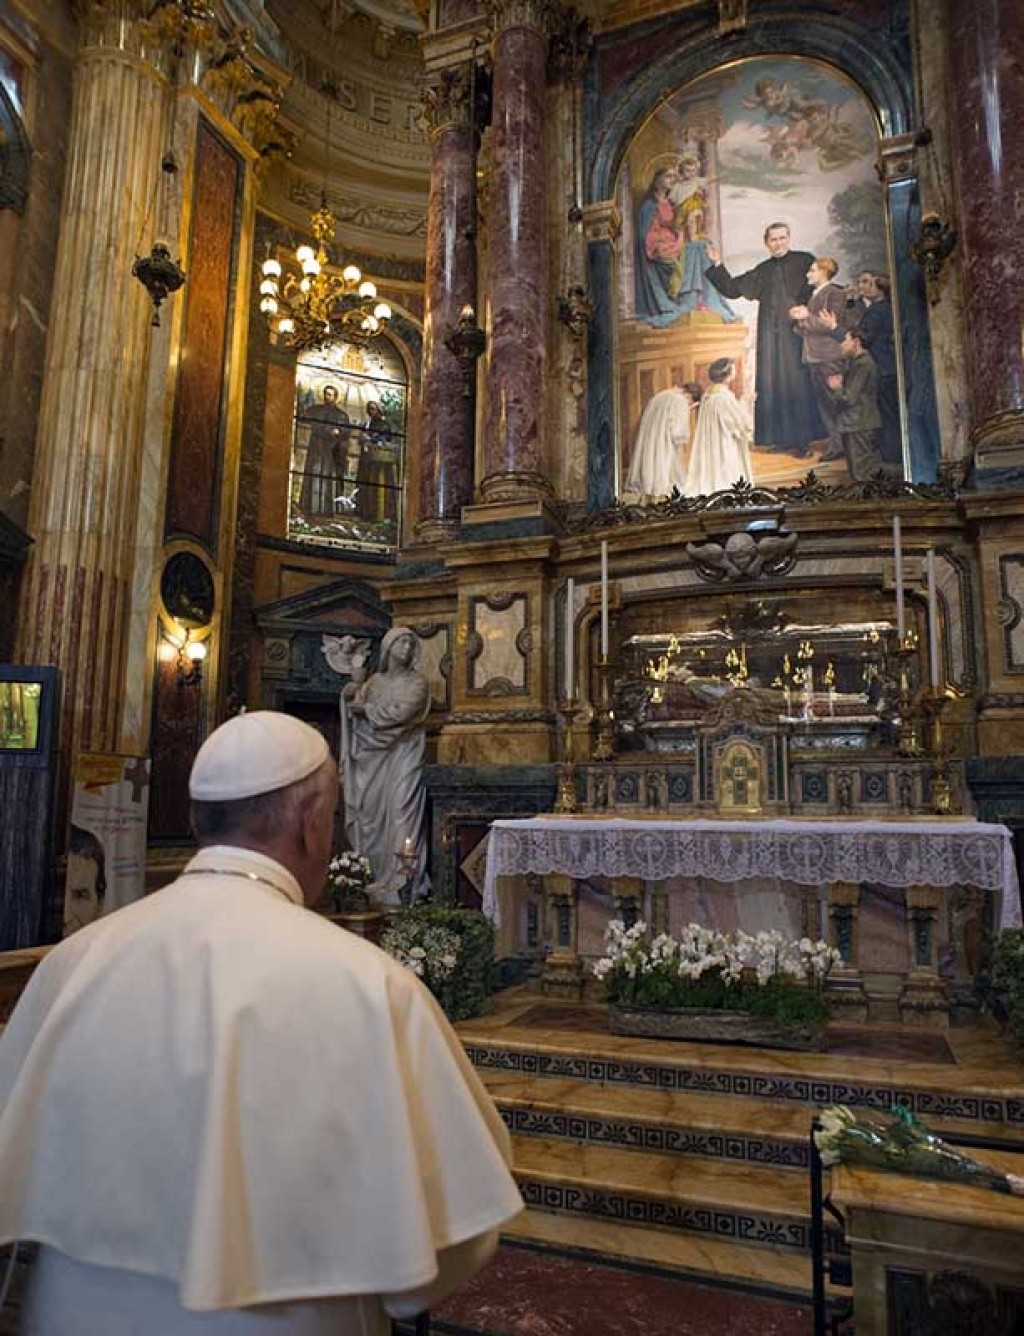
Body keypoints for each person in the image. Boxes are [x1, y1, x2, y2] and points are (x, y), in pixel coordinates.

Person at [0, 710, 522, 1334]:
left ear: (197, 818)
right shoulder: (366, 984)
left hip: (69, 1314)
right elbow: (450, 1238)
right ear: (310, 823)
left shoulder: (76, 962)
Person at [704, 223, 821, 455]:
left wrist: (806, 310)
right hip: (770, 333)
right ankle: (779, 439)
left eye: (782, 238)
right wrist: (717, 265)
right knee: (772, 381)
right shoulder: (763, 269)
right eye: (773, 239)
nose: (779, 243)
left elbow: (819, 287)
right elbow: (733, 288)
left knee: (796, 383)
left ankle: (802, 442)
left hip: (796, 331)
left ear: (789, 238)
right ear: (766, 243)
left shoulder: (805, 260)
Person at [341, 627, 430, 903]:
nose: (405, 648)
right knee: (371, 817)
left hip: (405, 752)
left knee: (402, 812)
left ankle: (405, 882)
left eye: (410, 643)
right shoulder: (373, 683)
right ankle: (378, 877)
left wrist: (365, 709)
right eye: (400, 642)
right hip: (374, 758)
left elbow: (401, 713)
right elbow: (353, 705)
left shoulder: (418, 683)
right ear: (388, 648)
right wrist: (349, 695)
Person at [788, 256, 850, 461]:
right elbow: (803, 330)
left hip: (829, 356)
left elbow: (829, 326)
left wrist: (804, 316)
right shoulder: (815, 294)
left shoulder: (835, 293)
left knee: (835, 403)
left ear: (824, 273)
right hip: (814, 357)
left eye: (812, 270)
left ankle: (841, 446)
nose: (808, 274)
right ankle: (837, 444)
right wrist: (800, 319)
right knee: (825, 403)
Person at [682, 357, 753, 496]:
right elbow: (738, 422)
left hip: (711, 440)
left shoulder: (708, 394)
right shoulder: (724, 397)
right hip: (724, 442)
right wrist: (746, 403)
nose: (735, 372)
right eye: (733, 370)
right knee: (726, 472)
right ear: (726, 375)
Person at [825, 326, 889, 481]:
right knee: (858, 472)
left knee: (861, 474)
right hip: (856, 423)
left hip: (859, 423)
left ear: (856, 341)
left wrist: (837, 387)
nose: (842, 345)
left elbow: (849, 397)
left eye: (845, 341)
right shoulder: (858, 362)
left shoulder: (863, 364)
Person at [624, 380, 702, 498]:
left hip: (649, 450)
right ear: (691, 397)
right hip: (665, 451)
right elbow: (678, 434)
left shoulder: (659, 397)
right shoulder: (680, 401)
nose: (690, 409)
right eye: (692, 406)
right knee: (673, 489)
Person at [854, 273, 900, 469]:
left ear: (879, 288)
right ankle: (893, 454)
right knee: (890, 412)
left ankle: (891, 455)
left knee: (885, 415)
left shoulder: (876, 311)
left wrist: (840, 330)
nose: (861, 286)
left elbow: (864, 338)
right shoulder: (886, 308)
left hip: (881, 368)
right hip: (890, 366)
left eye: (867, 282)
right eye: (860, 282)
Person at [298, 384, 350, 517]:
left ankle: (326, 510)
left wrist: (339, 431)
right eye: (326, 394)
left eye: (331, 395)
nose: (328, 397)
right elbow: (304, 417)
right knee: (314, 474)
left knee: (328, 478)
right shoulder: (315, 410)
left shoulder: (341, 415)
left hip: (331, 450)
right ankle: (310, 507)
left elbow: (346, 431)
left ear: (336, 397)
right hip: (316, 447)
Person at [355, 401, 398, 524]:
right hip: (367, 459)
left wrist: (373, 439)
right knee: (365, 485)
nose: (372, 411)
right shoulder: (367, 424)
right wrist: (363, 439)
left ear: (378, 410)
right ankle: (365, 512)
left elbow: (386, 438)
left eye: (374, 409)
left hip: (379, 461)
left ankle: (380, 514)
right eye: (369, 409)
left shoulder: (384, 425)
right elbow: (361, 439)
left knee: (377, 486)